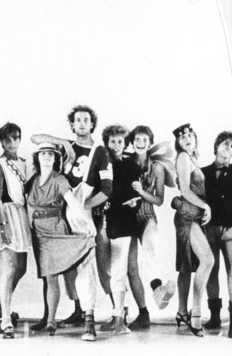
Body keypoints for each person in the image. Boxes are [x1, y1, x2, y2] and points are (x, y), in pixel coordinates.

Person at [31, 104, 112, 327]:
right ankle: (76, 310)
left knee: (86, 264)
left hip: (79, 212)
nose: (82, 123)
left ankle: (90, 315)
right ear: (72, 124)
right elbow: (35, 138)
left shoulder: (100, 152)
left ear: (92, 124)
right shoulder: (67, 146)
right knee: (62, 267)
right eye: (78, 120)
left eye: (86, 120)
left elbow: (107, 189)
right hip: (58, 216)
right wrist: (64, 142)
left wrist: (84, 207)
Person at [26, 143, 98, 340]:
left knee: (54, 274)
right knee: (47, 276)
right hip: (38, 232)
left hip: (55, 228)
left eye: (50, 154)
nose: (47, 157)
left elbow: (72, 203)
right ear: (37, 157)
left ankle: (54, 320)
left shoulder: (59, 179)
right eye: (43, 154)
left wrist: (85, 222)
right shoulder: (33, 180)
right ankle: (48, 319)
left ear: (56, 158)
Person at [127, 124, 176, 329]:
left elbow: (159, 200)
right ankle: (143, 313)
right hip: (126, 218)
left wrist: (140, 192)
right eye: (137, 140)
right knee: (130, 267)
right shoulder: (125, 162)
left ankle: (158, 290)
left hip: (146, 215)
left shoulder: (157, 167)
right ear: (132, 143)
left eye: (144, 140)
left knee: (151, 247)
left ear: (149, 143)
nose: (140, 143)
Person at [201, 131, 232, 338]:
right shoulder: (203, 172)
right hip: (208, 228)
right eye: (225, 144)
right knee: (211, 271)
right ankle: (214, 317)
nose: (229, 148)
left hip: (231, 229)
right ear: (216, 146)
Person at [100, 124, 145, 335]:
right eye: (112, 141)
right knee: (106, 271)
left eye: (120, 141)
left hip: (123, 223)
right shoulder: (101, 164)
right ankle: (117, 313)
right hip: (104, 223)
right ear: (106, 143)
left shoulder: (131, 166)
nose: (116, 145)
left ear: (125, 144)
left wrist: (113, 202)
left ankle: (119, 320)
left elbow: (131, 197)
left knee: (119, 270)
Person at [171, 123, 214, 337]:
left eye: (190, 135)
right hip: (188, 216)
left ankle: (181, 312)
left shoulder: (192, 158)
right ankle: (195, 313)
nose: (187, 139)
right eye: (182, 137)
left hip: (191, 216)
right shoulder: (183, 157)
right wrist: (205, 206)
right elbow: (186, 191)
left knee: (186, 265)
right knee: (207, 260)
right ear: (178, 143)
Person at [0, 122, 31, 339]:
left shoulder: (23, 163)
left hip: (21, 216)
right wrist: (3, 225)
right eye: (7, 139)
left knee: (20, 268)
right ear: (2, 142)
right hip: (6, 215)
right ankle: (5, 319)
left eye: (15, 138)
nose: (12, 143)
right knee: (9, 267)